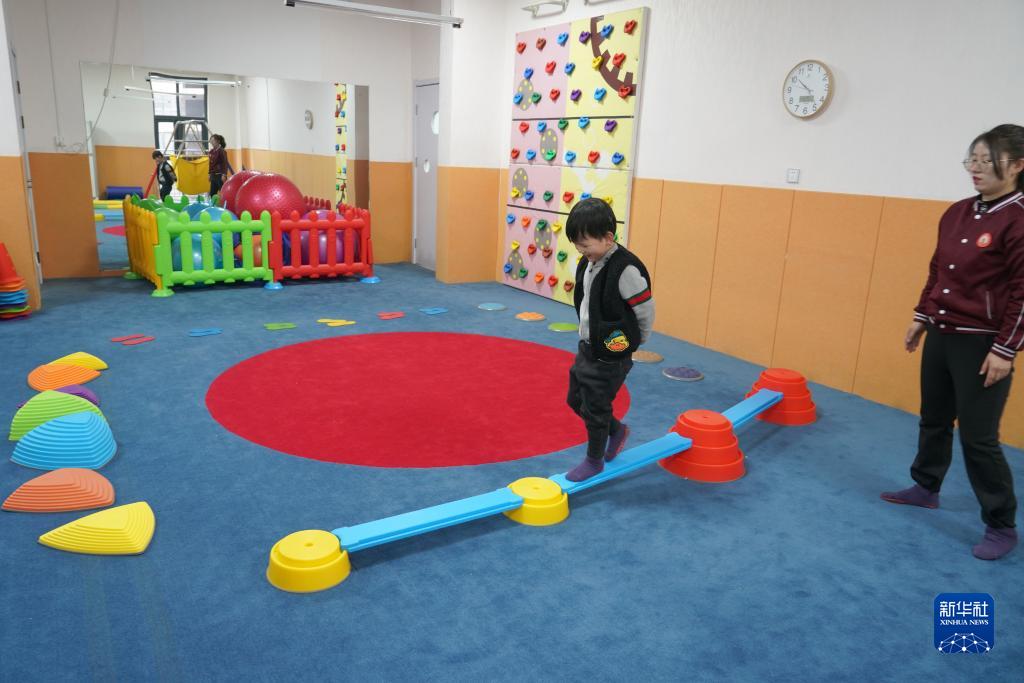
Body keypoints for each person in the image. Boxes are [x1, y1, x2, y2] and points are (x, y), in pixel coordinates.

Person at [882, 123, 1024, 561]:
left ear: (1017, 166)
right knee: (934, 418)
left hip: (983, 344)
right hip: (942, 332)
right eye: (972, 160)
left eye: (987, 161)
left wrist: (1005, 350)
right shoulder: (959, 211)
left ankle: (1001, 524)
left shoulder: (1018, 219)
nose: (976, 169)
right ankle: (926, 487)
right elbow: (937, 269)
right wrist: (921, 316)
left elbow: (1023, 292)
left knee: (979, 439)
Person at [563, 198, 655, 482]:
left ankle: (594, 460)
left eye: (585, 244)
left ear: (608, 237)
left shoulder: (625, 269)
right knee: (575, 399)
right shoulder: (589, 261)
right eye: (577, 245)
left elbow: (644, 308)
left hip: (613, 354)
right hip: (589, 346)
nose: (581, 251)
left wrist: (637, 340)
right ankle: (616, 430)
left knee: (595, 406)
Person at [208, 133, 229, 198]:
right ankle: (213, 204)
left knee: (223, 192)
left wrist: (224, 174)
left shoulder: (222, 151)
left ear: (218, 141)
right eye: (211, 141)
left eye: (213, 141)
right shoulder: (211, 151)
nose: (212, 142)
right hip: (213, 175)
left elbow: (224, 163)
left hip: (220, 175)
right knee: (212, 193)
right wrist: (209, 174)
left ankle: (225, 203)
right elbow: (210, 164)